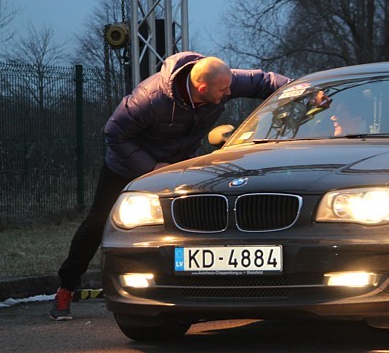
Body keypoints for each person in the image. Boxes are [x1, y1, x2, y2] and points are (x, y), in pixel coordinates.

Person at [50, 52, 290, 320]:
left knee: (194, 224)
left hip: (180, 163)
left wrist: (308, 92)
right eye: (223, 91)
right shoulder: (150, 98)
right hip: (128, 164)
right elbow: (114, 133)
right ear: (202, 88)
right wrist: (152, 169)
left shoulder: (220, 80)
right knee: (98, 223)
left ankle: (195, 293)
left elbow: (263, 81)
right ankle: (65, 290)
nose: (229, 93)